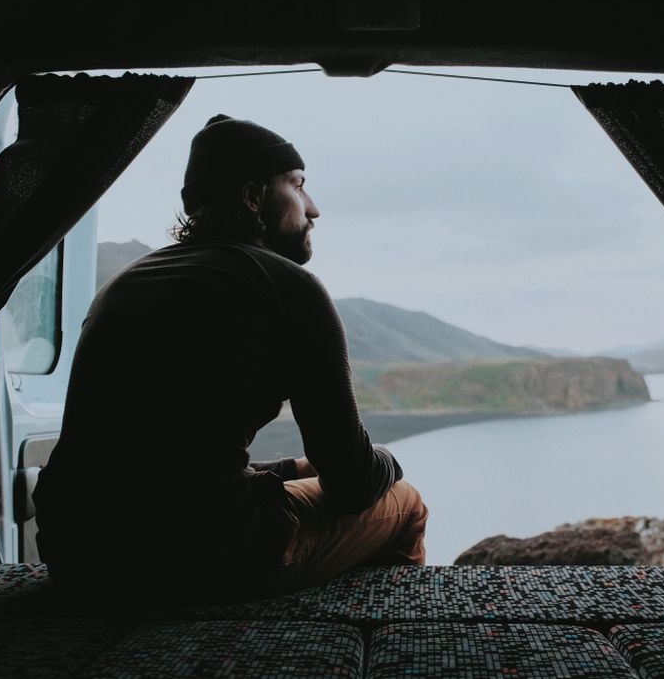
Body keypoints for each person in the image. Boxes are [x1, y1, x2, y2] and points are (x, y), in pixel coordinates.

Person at [33, 114, 428, 600]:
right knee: (404, 503)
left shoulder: (126, 282)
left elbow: (165, 458)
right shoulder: (291, 288)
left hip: (77, 555)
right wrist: (389, 460)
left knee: (302, 472)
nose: (314, 208)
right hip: (195, 554)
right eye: (298, 186)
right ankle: (391, 625)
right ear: (252, 197)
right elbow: (353, 483)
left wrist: (290, 469)